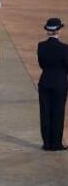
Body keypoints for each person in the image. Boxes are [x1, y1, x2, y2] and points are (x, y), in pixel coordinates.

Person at [37, 18, 68, 151]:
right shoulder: (64, 48)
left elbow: (42, 64)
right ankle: (56, 143)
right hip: (60, 83)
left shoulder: (41, 46)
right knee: (58, 112)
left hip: (45, 81)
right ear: (58, 30)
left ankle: (47, 143)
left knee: (45, 112)